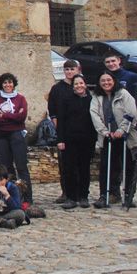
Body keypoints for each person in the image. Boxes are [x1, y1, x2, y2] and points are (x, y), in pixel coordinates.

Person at [104, 52, 137, 204]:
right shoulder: (105, 78)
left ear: (119, 61)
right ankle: (114, 192)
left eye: (113, 61)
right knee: (114, 161)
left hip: (132, 127)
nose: (111, 64)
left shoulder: (132, 77)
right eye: (107, 61)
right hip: (113, 127)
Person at [91, 71, 137, 209]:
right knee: (106, 166)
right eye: (103, 81)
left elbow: (131, 113)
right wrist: (104, 131)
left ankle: (128, 195)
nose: (106, 83)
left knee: (128, 166)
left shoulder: (123, 94)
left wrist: (121, 130)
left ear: (114, 81)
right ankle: (105, 194)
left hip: (124, 136)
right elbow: (94, 114)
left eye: (109, 80)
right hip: (107, 136)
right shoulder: (97, 96)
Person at [55, 75, 95, 210]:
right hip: (69, 139)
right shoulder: (66, 100)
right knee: (69, 169)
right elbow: (60, 121)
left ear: (85, 84)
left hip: (87, 139)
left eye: (81, 83)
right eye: (76, 84)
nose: (79, 86)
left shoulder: (91, 100)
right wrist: (60, 139)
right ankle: (71, 197)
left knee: (84, 169)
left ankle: (83, 196)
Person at [0, 73, 31, 202]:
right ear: (1, 85)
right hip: (1, 136)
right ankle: (11, 196)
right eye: (5, 83)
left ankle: (27, 198)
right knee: (6, 168)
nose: (8, 85)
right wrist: (13, 115)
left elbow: (22, 117)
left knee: (21, 166)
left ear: (14, 84)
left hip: (17, 134)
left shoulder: (21, 99)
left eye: (10, 82)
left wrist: (5, 116)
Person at [46, 58, 80, 204]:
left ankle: (79, 192)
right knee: (64, 163)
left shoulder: (80, 86)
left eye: (72, 69)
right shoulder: (57, 88)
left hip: (79, 129)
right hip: (63, 129)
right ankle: (66, 192)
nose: (69, 72)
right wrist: (55, 121)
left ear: (77, 70)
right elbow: (52, 107)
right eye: (67, 69)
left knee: (79, 163)